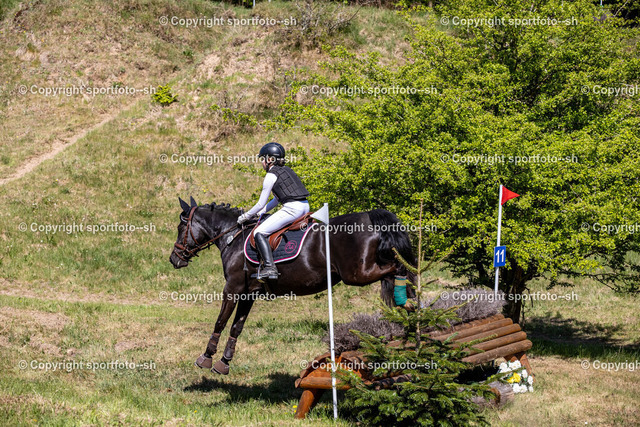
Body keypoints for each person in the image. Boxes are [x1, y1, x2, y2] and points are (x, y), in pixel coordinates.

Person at [237, 142, 310, 282]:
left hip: (292, 209)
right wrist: (260, 213)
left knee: (259, 232)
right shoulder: (287, 170)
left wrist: (245, 216)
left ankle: (270, 268)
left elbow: (260, 203)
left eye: (263, 159)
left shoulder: (271, 175)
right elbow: (276, 200)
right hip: (305, 206)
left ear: (270, 159)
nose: (262, 163)